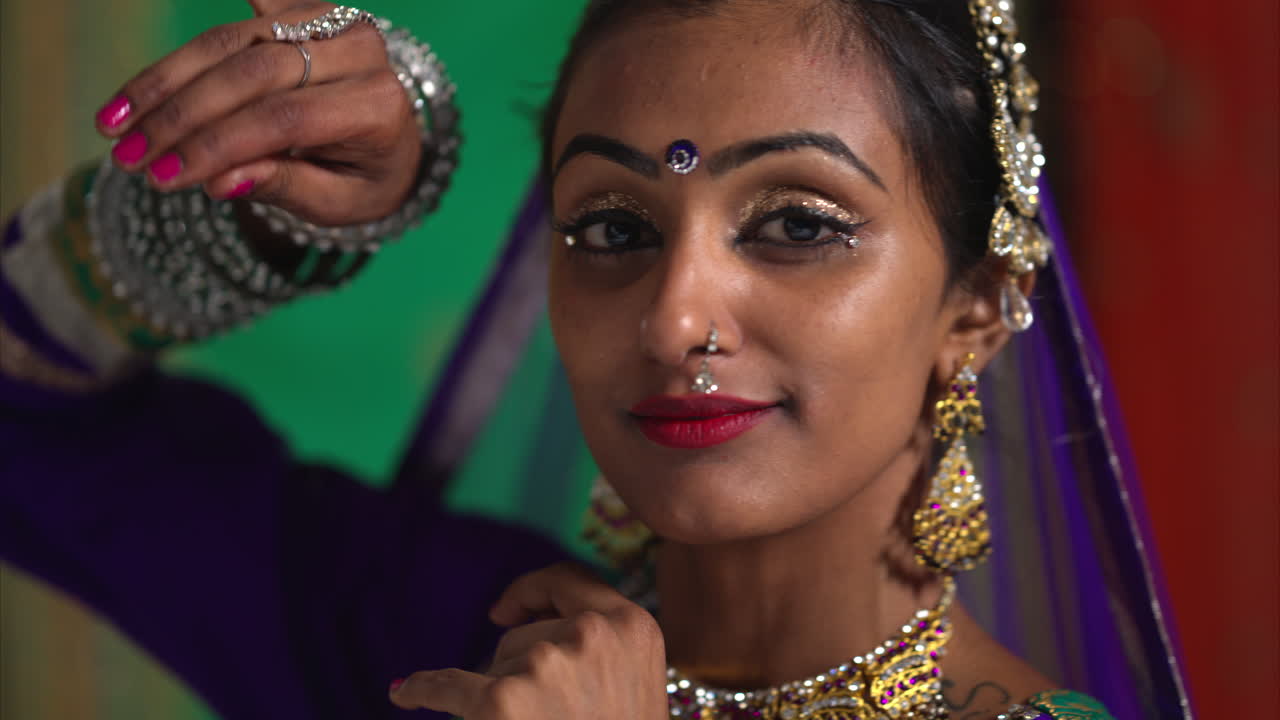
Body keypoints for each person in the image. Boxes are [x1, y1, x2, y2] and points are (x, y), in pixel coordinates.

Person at [0, 1, 1192, 719]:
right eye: (612, 229)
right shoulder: (451, 634)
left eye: (795, 225)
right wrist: (267, 219)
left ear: (977, 309)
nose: (674, 321)